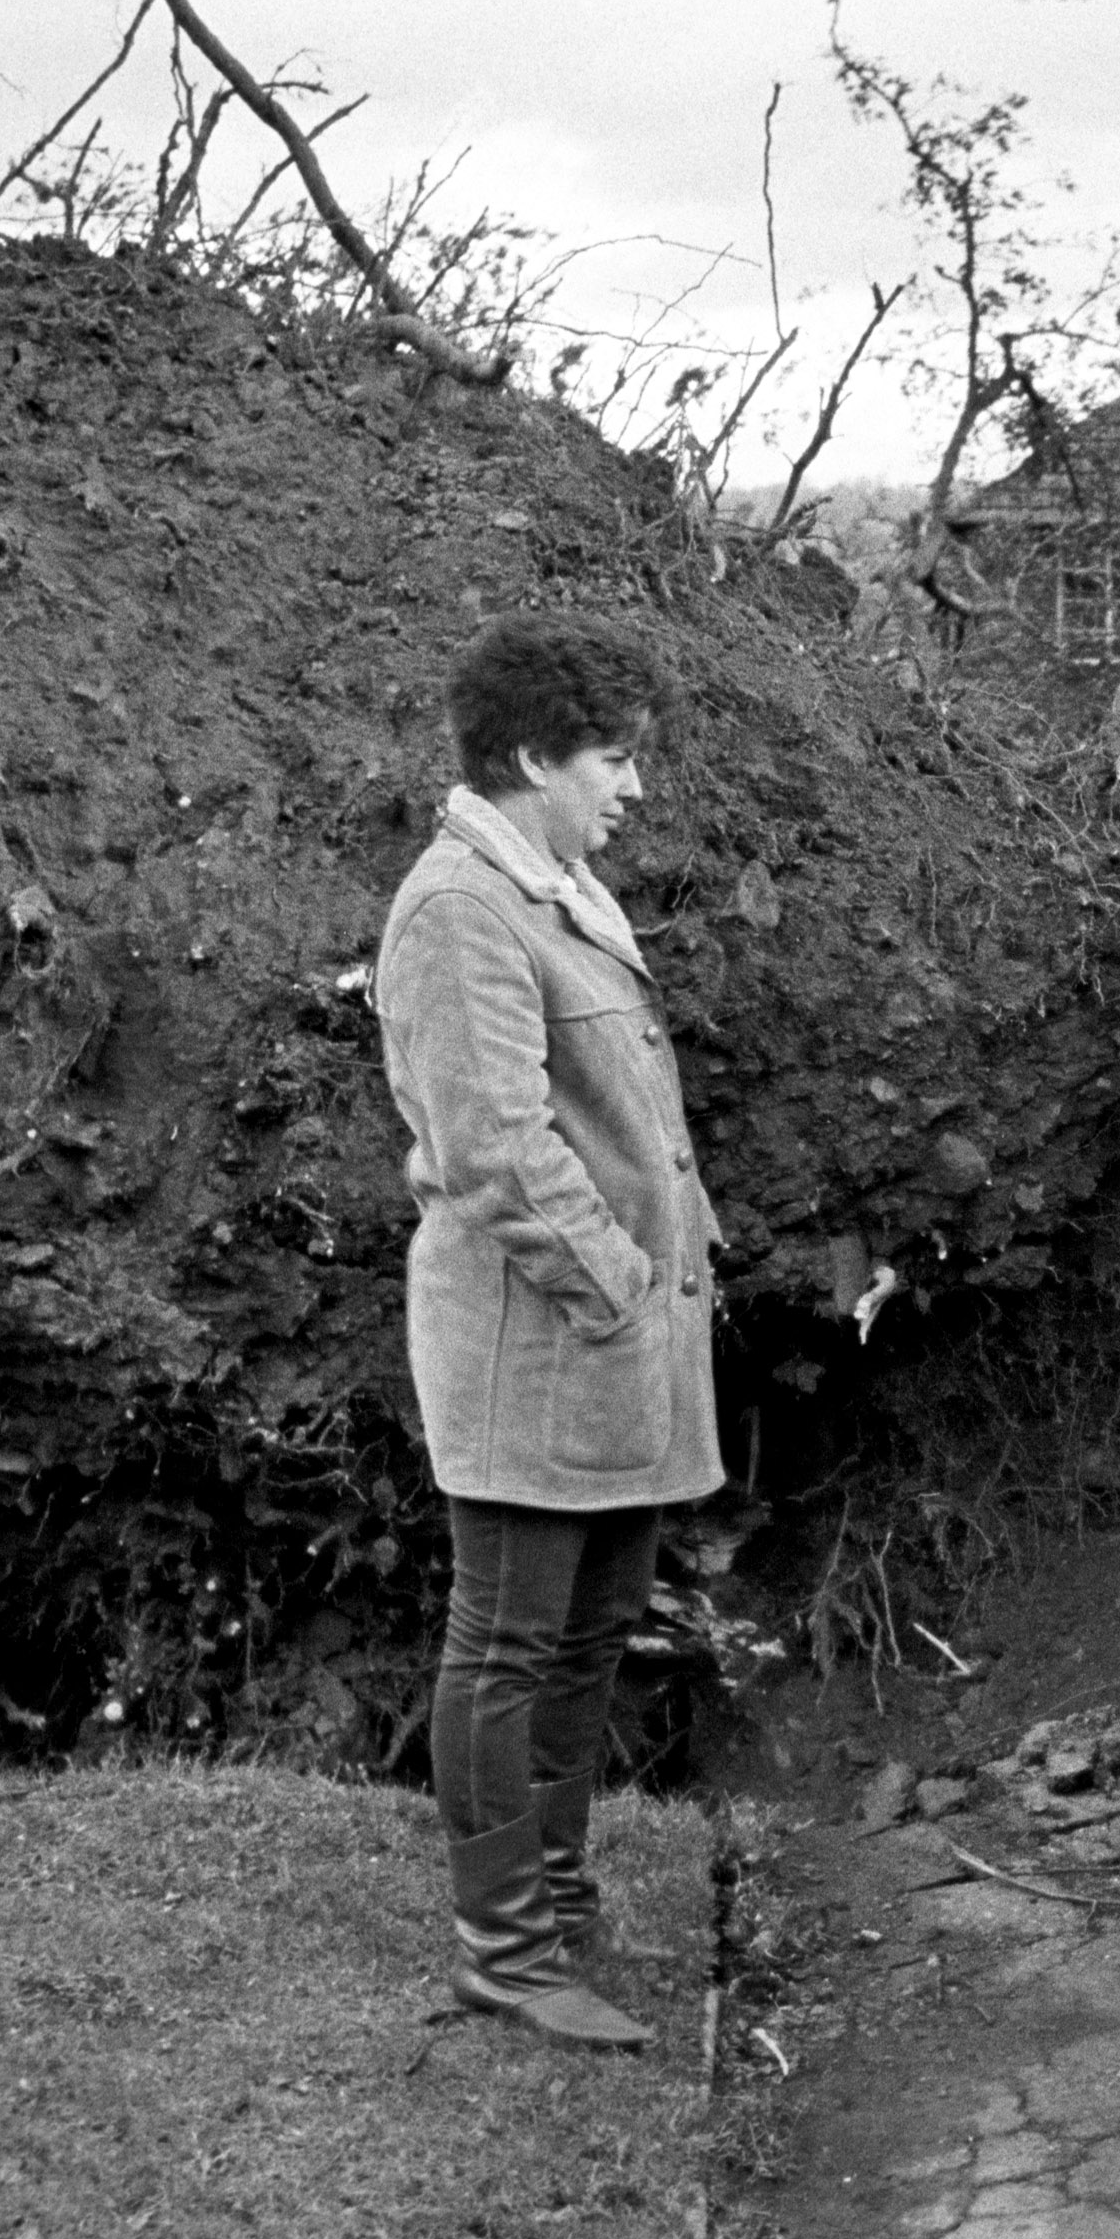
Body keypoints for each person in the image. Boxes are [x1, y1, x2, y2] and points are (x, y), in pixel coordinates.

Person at [374, 613, 723, 2048]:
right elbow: (494, 1150)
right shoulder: (461, 908)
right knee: (509, 1642)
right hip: (544, 1340)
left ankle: (559, 1910)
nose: (631, 787)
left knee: (584, 1640)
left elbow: (609, 1116)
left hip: (616, 1345)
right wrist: (627, 1284)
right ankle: (505, 1954)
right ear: (532, 757)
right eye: (612, 757)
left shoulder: (554, 886)